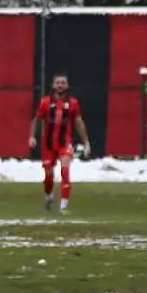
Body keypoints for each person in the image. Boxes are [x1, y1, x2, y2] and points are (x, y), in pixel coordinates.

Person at [28, 73, 91, 213]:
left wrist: (86, 142)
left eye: (63, 82)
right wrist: (32, 136)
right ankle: (49, 194)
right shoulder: (45, 102)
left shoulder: (73, 103)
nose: (60, 85)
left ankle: (63, 206)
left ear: (67, 85)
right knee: (48, 175)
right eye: (57, 82)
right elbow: (36, 119)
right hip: (48, 144)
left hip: (64, 143)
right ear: (53, 85)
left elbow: (79, 123)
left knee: (65, 170)